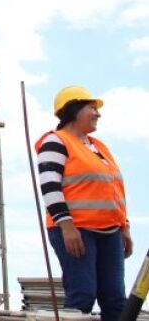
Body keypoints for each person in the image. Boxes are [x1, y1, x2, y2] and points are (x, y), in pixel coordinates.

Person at [35, 86, 132, 321]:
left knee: (115, 300)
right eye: (92, 108)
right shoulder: (55, 141)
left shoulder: (99, 147)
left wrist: (124, 227)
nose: (97, 114)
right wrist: (66, 226)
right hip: (76, 231)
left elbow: (114, 190)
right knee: (82, 296)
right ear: (74, 110)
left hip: (110, 232)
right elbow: (50, 187)